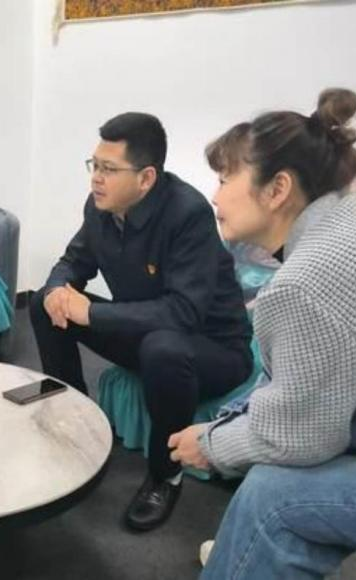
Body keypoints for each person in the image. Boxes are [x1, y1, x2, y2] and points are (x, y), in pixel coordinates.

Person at [169, 88, 356, 579]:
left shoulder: (307, 281)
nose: (215, 195)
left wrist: (212, 445)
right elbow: (298, 391)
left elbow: (303, 435)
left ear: (278, 189)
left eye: (225, 179)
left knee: (272, 499)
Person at [30, 112, 252, 531]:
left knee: (162, 347)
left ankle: (165, 475)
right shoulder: (100, 206)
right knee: (44, 303)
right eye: (94, 165)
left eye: (108, 169)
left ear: (146, 178)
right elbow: (74, 261)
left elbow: (184, 312)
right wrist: (59, 288)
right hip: (145, 335)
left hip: (211, 350)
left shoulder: (188, 214)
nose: (96, 178)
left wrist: (92, 312)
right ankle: (73, 420)